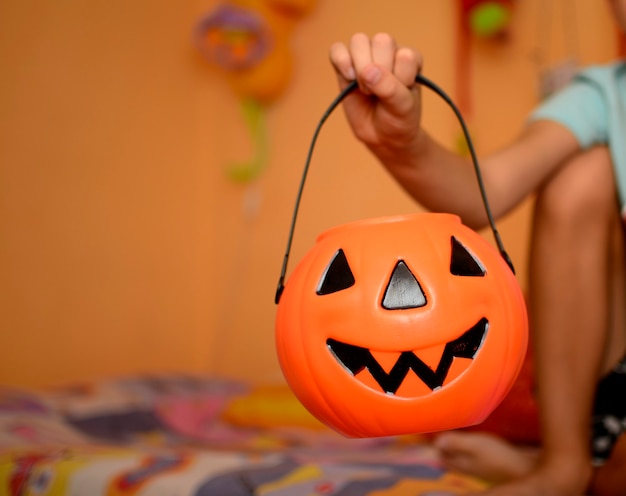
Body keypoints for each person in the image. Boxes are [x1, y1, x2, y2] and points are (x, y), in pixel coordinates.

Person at [327, 2, 626, 494]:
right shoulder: (602, 96)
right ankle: (565, 464)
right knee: (581, 172)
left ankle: (572, 475)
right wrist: (401, 143)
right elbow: (482, 193)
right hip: (615, 395)